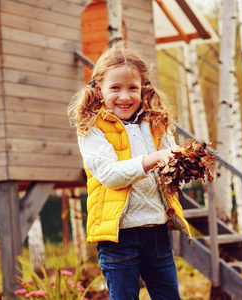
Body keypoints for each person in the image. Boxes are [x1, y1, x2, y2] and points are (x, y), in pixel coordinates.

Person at [68, 41, 191, 300]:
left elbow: (171, 171)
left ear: (143, 89)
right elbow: (111, 175)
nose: (125, 96)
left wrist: (183, 165)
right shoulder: (93, 128)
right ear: (99, 90)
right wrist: (153, 159)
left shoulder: (157, 123)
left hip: (156, 230)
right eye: (115, 88)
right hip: (118, 236)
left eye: (132, 88)